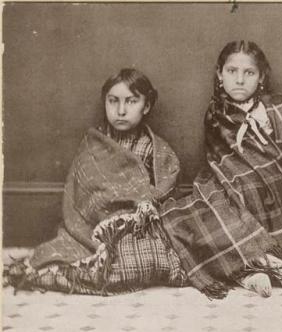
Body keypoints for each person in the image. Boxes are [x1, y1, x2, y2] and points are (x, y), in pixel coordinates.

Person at [159, 40, 282, 301]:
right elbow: (220, 160)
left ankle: (262, 268)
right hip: (233, 184)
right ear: (219, 75)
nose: (239, 80)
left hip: (277, 195)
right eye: (232, 71)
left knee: (229, 208)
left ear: (261, 78)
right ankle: (265, 271)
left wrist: (262, 175)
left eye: (249, 73)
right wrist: (234, 181)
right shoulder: (216, 113)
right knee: (182, 218)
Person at [5, 68, 188, 294]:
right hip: (93, 226)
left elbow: (164, 187)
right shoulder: (93, 145)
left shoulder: (155, 149)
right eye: (113, 101)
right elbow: (83, 191)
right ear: (105, 103)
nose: (121, 110)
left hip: (134, 226)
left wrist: (142, 204)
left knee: (147, 255)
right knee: (61, 255)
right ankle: (70, 271)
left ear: (146, 106)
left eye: (131, 101)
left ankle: (104, 269)